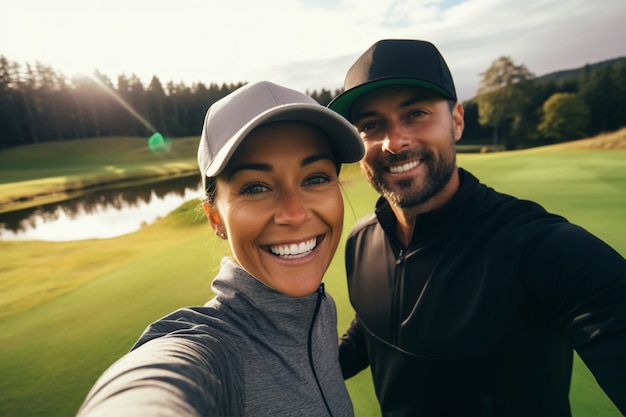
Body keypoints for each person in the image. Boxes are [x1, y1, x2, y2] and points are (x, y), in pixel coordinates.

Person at [328, 39, 626, 417]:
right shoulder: (360, 240)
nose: (394, 141)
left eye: (416, 113)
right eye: (371, 125)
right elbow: (371, 326)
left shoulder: (541, 248)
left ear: (456, 120)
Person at [76, 81, 365, 417]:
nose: (295, 213)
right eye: (256, 187)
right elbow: (155, 377)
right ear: (215, 218)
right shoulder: (211, 344)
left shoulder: (320, 309)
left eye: (315, 178)